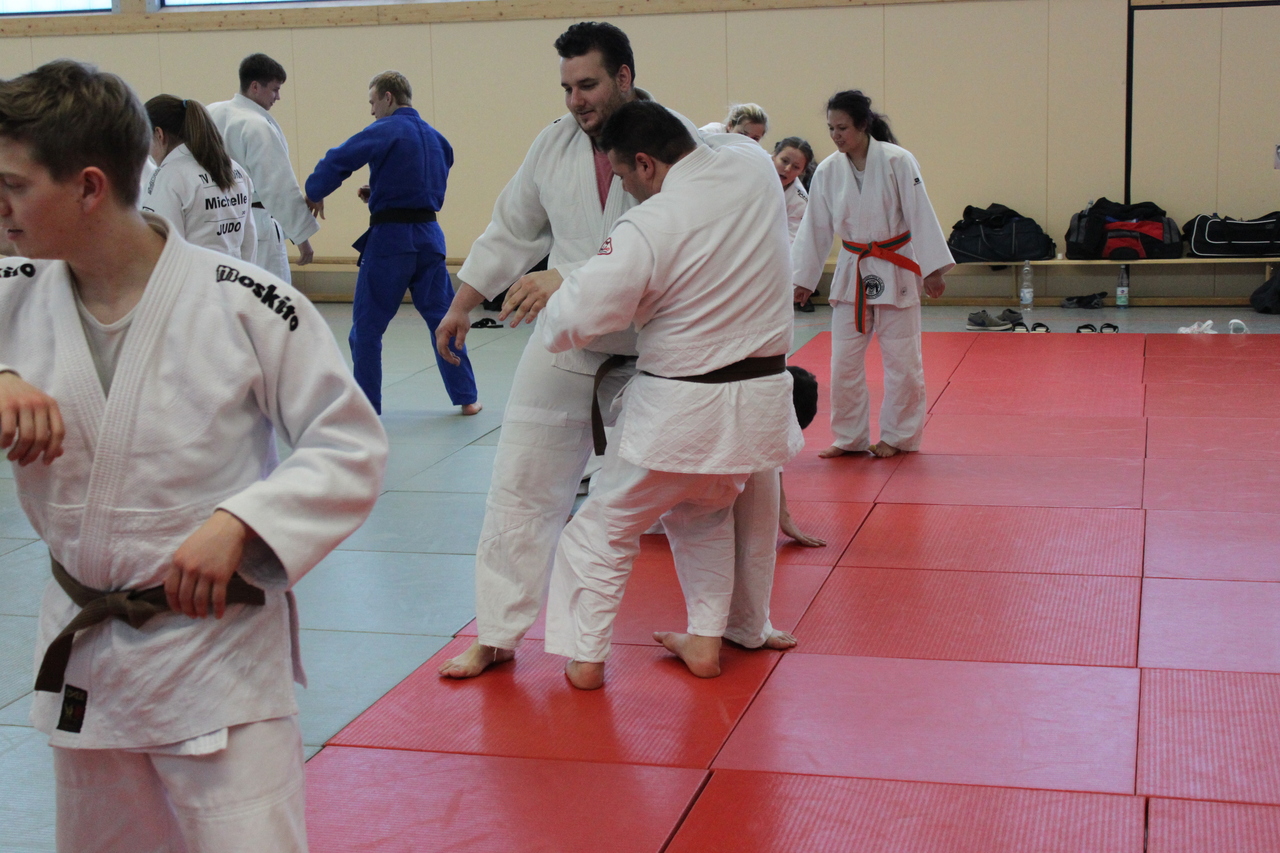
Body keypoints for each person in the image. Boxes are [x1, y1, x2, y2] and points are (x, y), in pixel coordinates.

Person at [0, 60, 387, 852]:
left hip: (215, 654)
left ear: (89, 186)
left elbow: (349, 441)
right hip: (89, 656)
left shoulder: (246, 303)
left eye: (12, 184)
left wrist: (245, 522)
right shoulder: (12, 290)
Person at [434, 22, 795, 680]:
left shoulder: (682, 142)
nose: (576, 99)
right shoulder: (552, 144)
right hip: (573, 342)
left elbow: (669, 244)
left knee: (719, 498)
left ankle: (742, 623)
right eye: (567, 87)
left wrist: (566, 276)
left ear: (624, 77)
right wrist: (462, 303)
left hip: (659, 349)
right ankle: (497, 632)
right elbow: (512, 225)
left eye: (589, 84)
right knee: (520, 482)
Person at [539, 101, 802, 690]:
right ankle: (704, 641)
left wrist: (554, 295)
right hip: (757, 407)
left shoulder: (648, 226)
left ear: (644, 163)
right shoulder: (753, 165)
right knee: (704, 514)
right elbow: (716, 138)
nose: (624, 189)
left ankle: (585, 658)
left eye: (623, 175)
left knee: (601, 529)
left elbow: (576, 320)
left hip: (681, 412)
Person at [303, 71, 480, 416]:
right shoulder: (439, 140)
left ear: (388, 97)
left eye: (373, 102)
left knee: (366, 330)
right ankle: (467, 397)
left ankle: (367, 408)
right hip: (430, 239)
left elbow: (338, 160)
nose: (372, 111)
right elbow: (421, 185)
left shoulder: (384, 129)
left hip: (390, 243)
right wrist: (380, 192)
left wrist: (315, 191)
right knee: (443, 320)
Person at [791, 90, 953, 459]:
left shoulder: (898, 161)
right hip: (853, 267)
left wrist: (932, 270)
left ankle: (899, 436)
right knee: (843, 362)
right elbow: (815, 227)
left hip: (896, 264)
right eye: (831, 128)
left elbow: (920, 213)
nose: (836, 135)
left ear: (863, 125)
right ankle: (849, 437)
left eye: (843, 127)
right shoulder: (829, 170)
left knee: (902, 361)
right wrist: (803, 279)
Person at [209, 53, 317, 283]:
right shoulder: (256, 125)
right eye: (275, 89)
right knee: (269, 296)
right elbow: (278, 186)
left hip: (219, 222)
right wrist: (302, 238)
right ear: (255, 86)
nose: (278, 97)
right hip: (258, 225)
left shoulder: (211, 113)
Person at [142, 95, 257, 263]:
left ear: (159, 134)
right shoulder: (235, 169)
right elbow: (249, 242)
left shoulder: (167, 177)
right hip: (234, 273)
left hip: (191, 277)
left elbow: (162, 249)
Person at [699, 103, 769, 142]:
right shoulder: (712, 131)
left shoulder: (756, 154)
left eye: (755, 138)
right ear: (730, 126)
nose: (747, 141)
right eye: (743, 134)